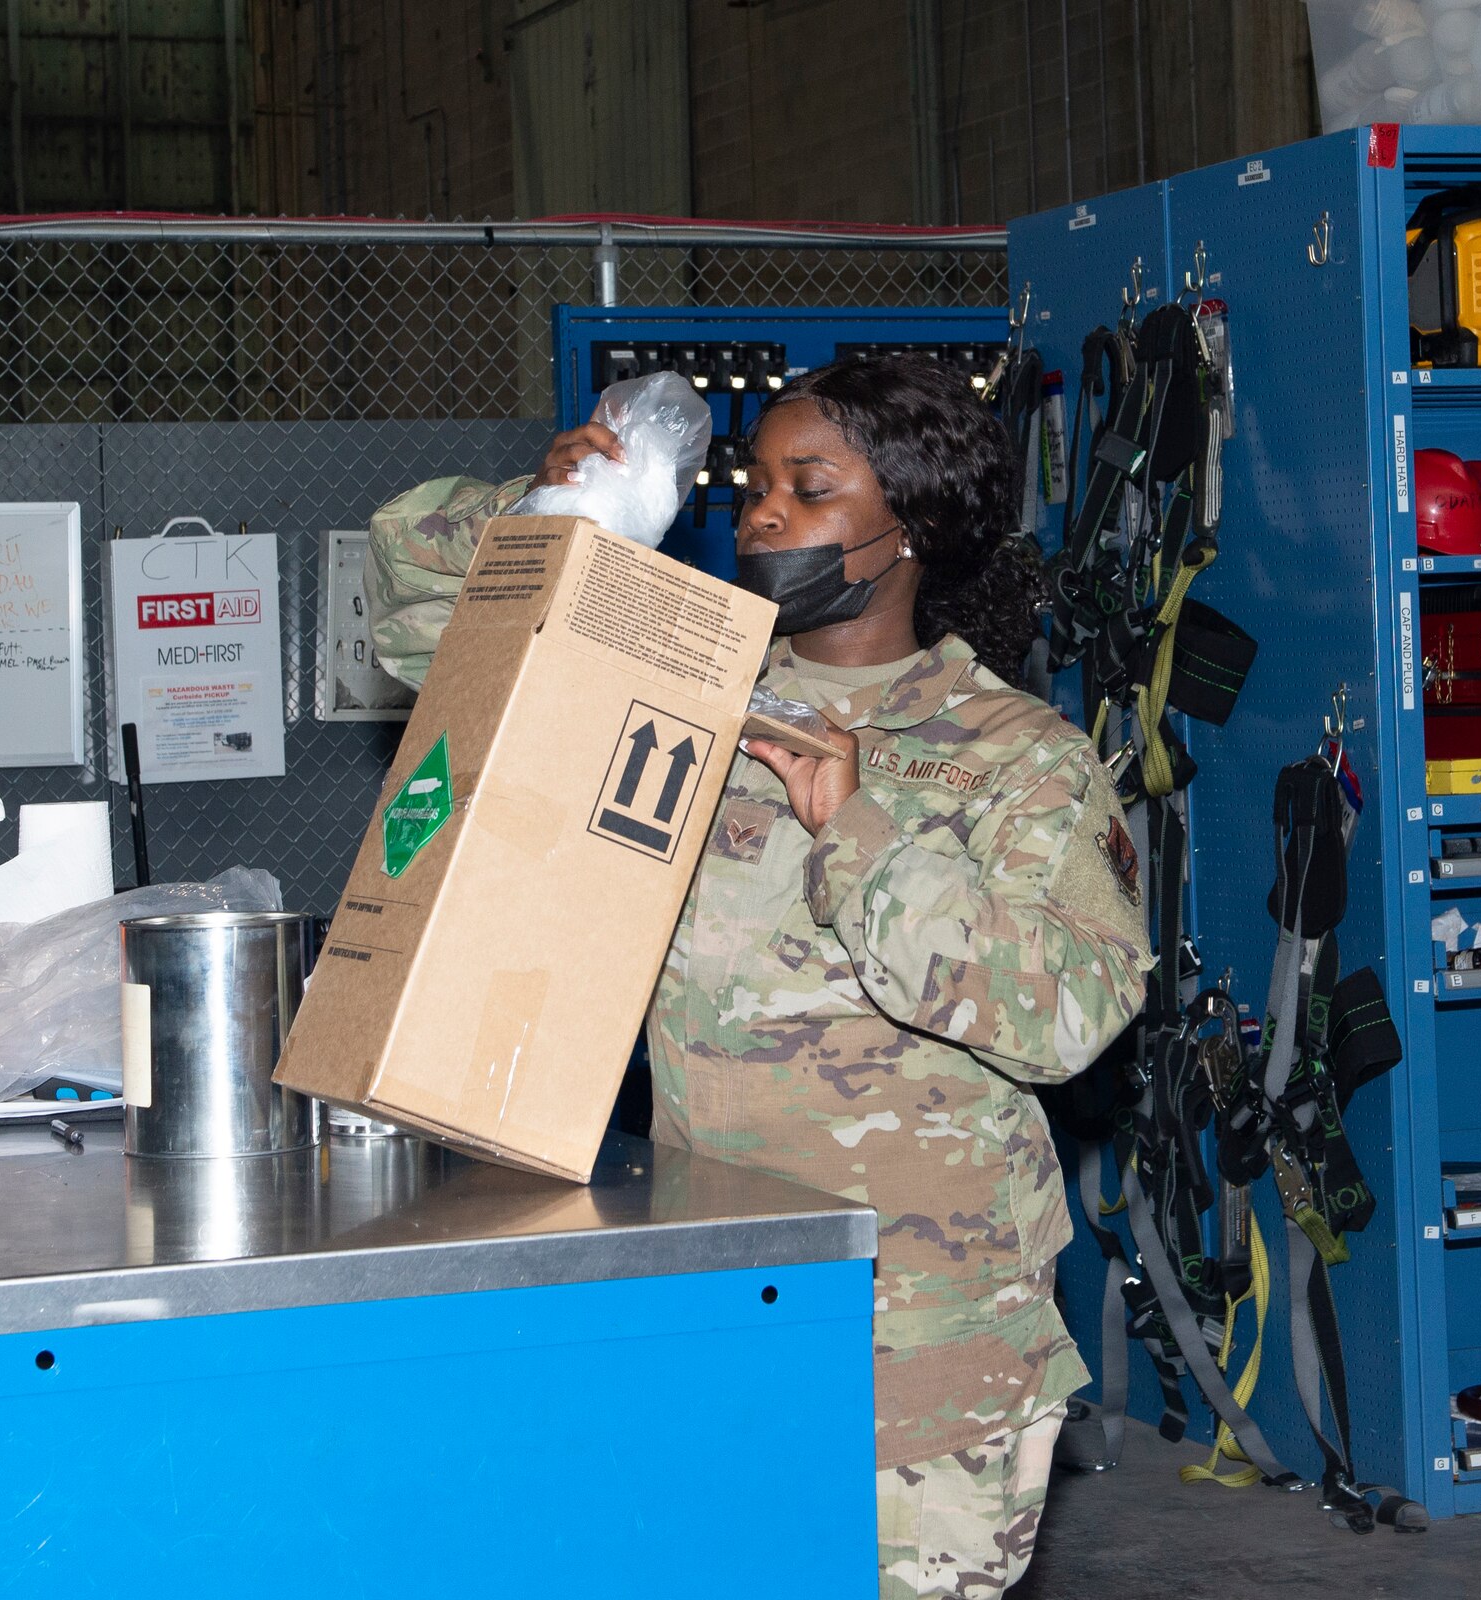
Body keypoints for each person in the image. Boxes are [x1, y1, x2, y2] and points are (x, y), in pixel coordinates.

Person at [367, 354, 1152, 1599]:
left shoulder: (1015, 755)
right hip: (720, 1285)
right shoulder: (684, 691)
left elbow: (1062, 1013)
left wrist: (857, 827)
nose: (763, 513)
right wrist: (545, 513)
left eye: (808, 485)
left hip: (922, 1324)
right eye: (750, 486)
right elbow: (414, 619)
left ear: (911, 526)